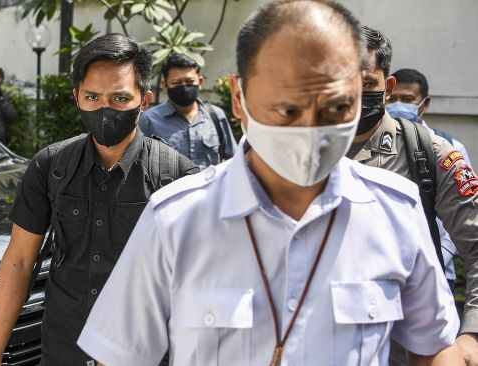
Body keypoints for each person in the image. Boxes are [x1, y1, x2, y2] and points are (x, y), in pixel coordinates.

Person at [77, 1, 462, 365]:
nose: (314, 127)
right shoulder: (174, 220)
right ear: (240, 98)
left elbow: (432, 347)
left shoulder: (396, 210)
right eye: (288, 108)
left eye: (337, 107)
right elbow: (117, 356)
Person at [0, 34, 199, 366]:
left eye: (120, 97)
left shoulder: (176, 176)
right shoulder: (50, 166)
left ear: (145, 100)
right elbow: (19, 262)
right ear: (76, 97)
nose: (104, 108)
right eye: (92, 96)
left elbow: (193, 283)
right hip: (63, 349)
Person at [348, 26, 478, 365]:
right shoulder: (299, 154)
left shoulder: (428, 153)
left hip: (407, 349)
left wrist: (472, 335)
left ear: (388, 88)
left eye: (366, 85)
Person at [389, 67, 474, 293]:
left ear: (424, 104)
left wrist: (440, 255)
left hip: (438, 273)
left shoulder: (448, 147)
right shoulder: (378, 144)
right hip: (386, 274)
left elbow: (464, 214)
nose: (398, 105)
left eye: (407, 99)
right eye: (392, 98)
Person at [138, 53, 236, 169]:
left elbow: (232, 160)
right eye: (177, 83)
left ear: (200, 81)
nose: (184, 87)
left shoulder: (216, 116)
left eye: (189, 82)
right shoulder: (148, 120)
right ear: (164, 85)